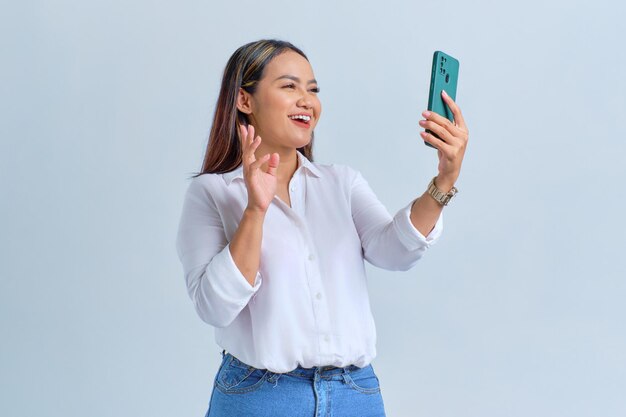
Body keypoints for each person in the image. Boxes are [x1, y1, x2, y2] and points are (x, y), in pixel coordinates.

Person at [175, 39, 469, 417]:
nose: (307, 100)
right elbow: (214, 307)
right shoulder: (212, 193)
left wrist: (444, 181)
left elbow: (394, 251)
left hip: (354, 394)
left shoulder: (341, 183)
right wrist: (256, 210)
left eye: (313, 90)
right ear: (245, 101)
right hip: (262, 397)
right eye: (289, 86)